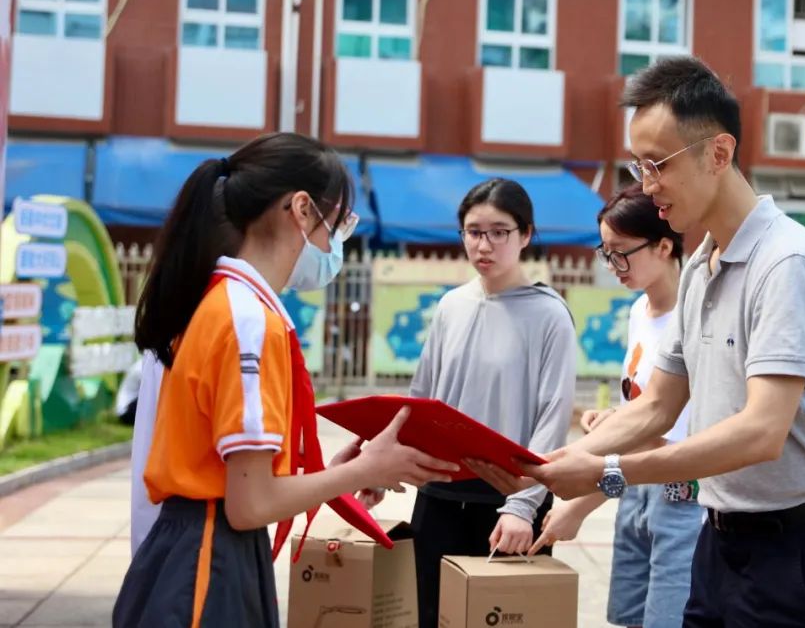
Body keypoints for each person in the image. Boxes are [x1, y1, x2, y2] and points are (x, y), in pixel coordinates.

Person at [470, 57, 805, 627]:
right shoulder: (701, 268)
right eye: (638, 165)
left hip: (803, 544)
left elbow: (763, 431)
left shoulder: (786, 262)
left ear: (719, 153)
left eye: (657, 164)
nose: (647, 185)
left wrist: (607, 471)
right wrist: (547, 467)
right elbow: (658, 404)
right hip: (721, 536)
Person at [114, 134, 457, 626]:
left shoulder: (219, 301)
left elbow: (231, 477)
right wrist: (365, 470)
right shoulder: (248, 319)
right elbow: (249, 504)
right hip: (209, 562)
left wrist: (329, 475)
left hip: (197, 552)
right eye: (338, 223)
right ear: (301, 209)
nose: (335, 243)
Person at [408, 178, 577, 628]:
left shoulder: (549, 314)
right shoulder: (451, 305)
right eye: (474, 232)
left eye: (499, 232)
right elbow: (422, 396)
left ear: (525, 235)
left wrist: (523, 506)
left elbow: (553, 416)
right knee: (430, 616)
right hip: (439, 494)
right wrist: (385, 466)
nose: (484, 245)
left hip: (509, 501)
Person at [531, 183, 698, 628]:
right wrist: (616, 419)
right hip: (633, 489)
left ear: (664, 246)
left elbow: (663, 433)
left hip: (680, 494)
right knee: (631, 618)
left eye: (621, 253)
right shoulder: (640, 311)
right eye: (605, 253)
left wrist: (580, 504)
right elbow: (647, 410)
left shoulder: (695, 320)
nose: (612, 266)